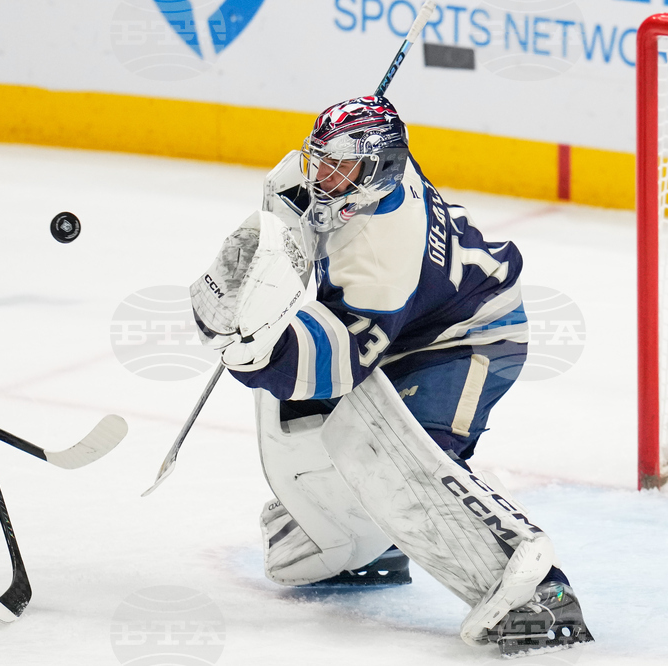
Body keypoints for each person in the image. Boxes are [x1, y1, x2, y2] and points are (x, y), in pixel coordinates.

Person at [189, 96, 593, 655]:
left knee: (406, 458)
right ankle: (369, 544)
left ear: (378, 169)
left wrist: (251, 354)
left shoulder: (379, 256)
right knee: (337, 434)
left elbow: (334, 368)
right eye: (322, 162)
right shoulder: (376, 181)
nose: (324, 179)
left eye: (341, 168)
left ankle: (540, 595)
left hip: (469, 337)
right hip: (414, 322)